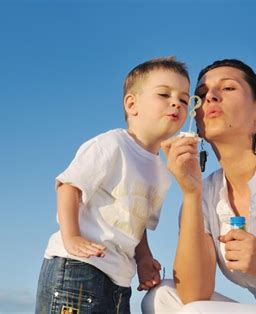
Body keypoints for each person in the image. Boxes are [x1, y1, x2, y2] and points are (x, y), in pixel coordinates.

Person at [142, 59, 256, 313]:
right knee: (161, 297)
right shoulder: (206, 192)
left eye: (228, 88)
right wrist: (191, 193)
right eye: (200, 95)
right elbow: (193, 294)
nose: (210, 97)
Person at [35, 56, 192, 313]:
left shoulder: (161, 171)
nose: (176, 102)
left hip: (119, 279)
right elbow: (68, 186)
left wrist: (143, 258)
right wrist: (72, 236)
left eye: (184, 100)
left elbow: (135, 222)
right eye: (164, 94)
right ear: (132, 104)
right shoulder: (112, 144)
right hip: (78, 267)